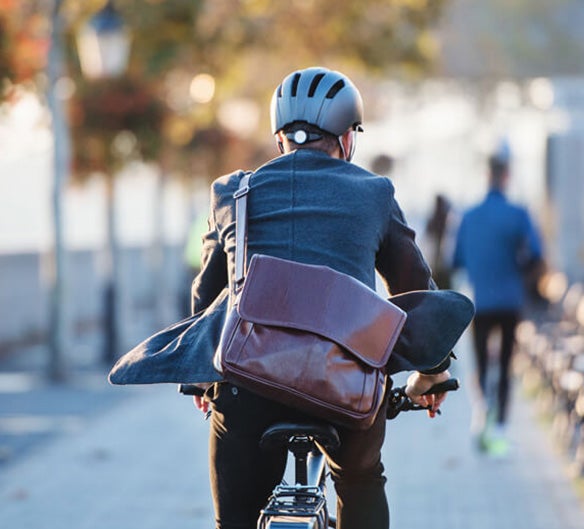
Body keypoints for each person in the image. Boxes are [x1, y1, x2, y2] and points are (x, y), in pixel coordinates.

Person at [190, 67, 452, 529]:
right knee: (360, 479)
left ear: (279, 141)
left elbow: (207, 298)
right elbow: (414, 290)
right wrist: (432, 373)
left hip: (249, 386)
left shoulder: (233, 192)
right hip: (346, 386)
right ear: (348, 139)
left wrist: (201, 379)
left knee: (234, 518)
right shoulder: (374, 193)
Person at [453, 150, 543, 457]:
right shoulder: (518, 214)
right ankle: (501, 427)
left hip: (480, 302)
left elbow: (457, 259)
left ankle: (481, 416)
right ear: (506, 176)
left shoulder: (469, 216)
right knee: (505, 364)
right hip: (510, 299)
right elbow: (535, 254)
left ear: (486, 176)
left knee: (479, 362)